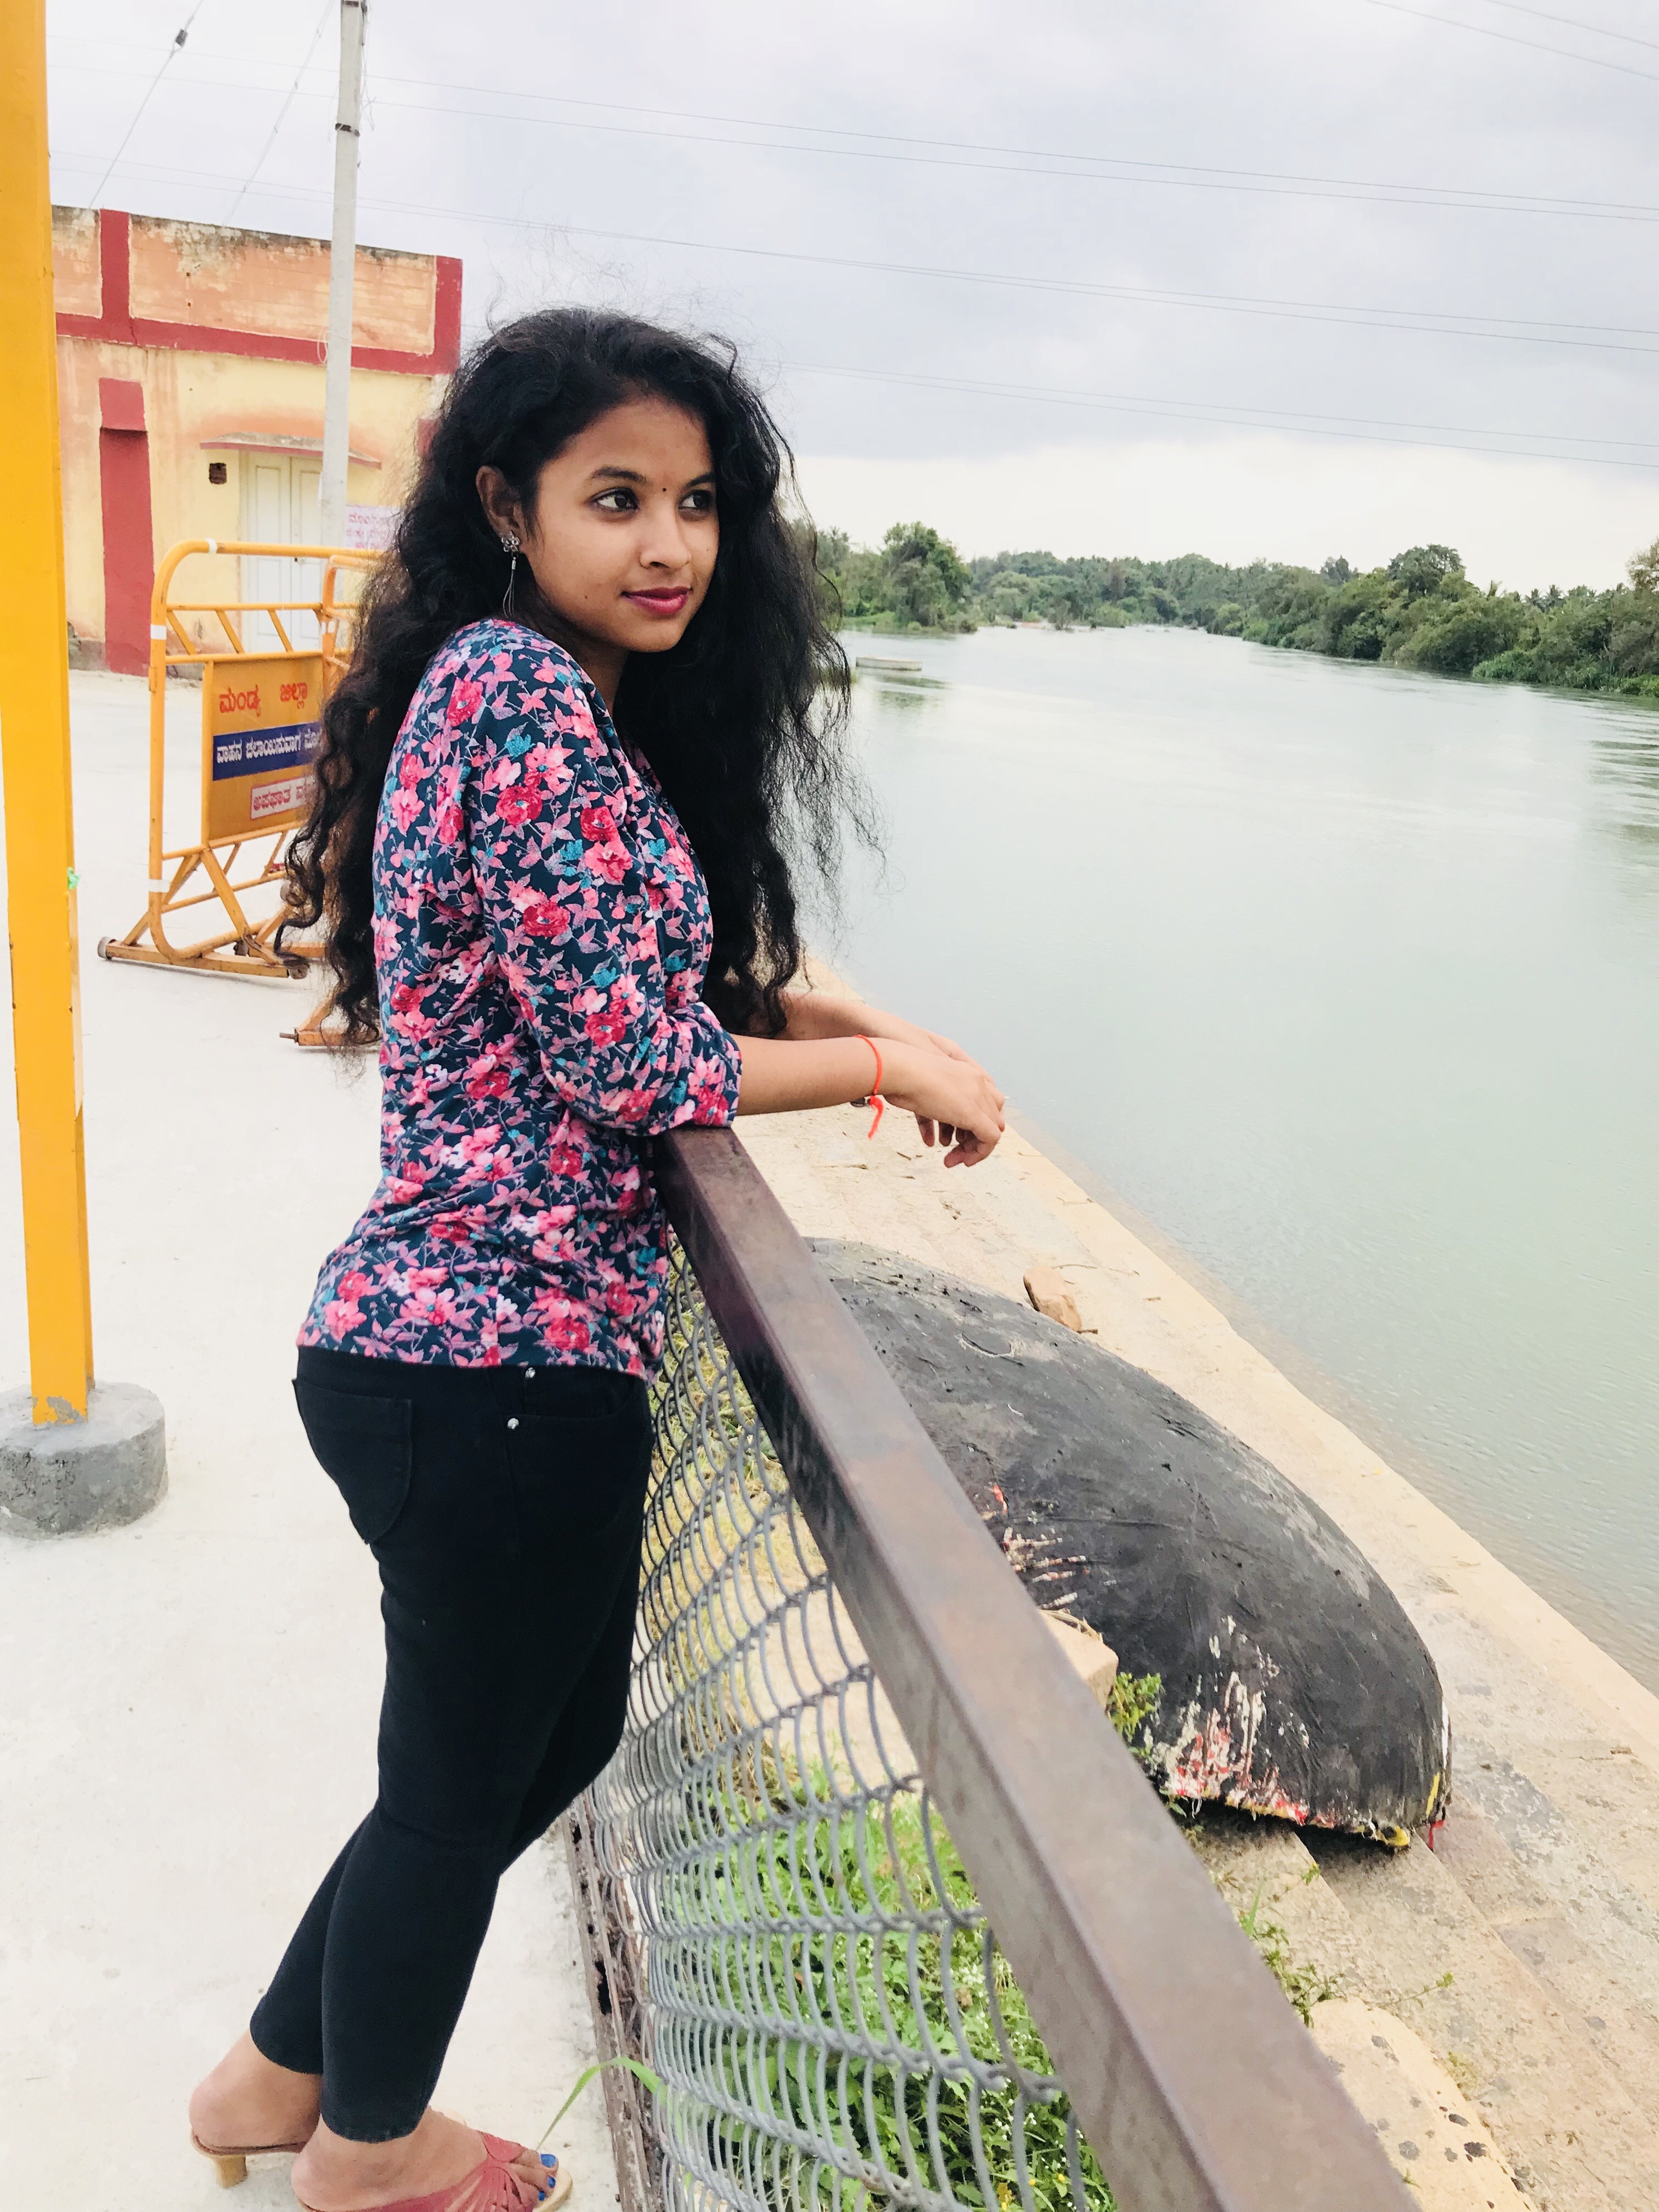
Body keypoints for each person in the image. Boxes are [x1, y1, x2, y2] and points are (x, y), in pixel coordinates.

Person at [187, 307, 1005, 2212]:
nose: (670, 544)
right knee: (459, 1788)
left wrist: (838, 1012)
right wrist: (879, 1068)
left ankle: (268, 2078)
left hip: (471, 1354)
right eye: (616, 497)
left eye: (700, 503)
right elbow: (635, 1061)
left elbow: (630, 977)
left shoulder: (527, 696)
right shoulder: (521, 695)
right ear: (509, 506)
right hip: (493, 1362)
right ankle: (370, 2156)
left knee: (529, 1751)